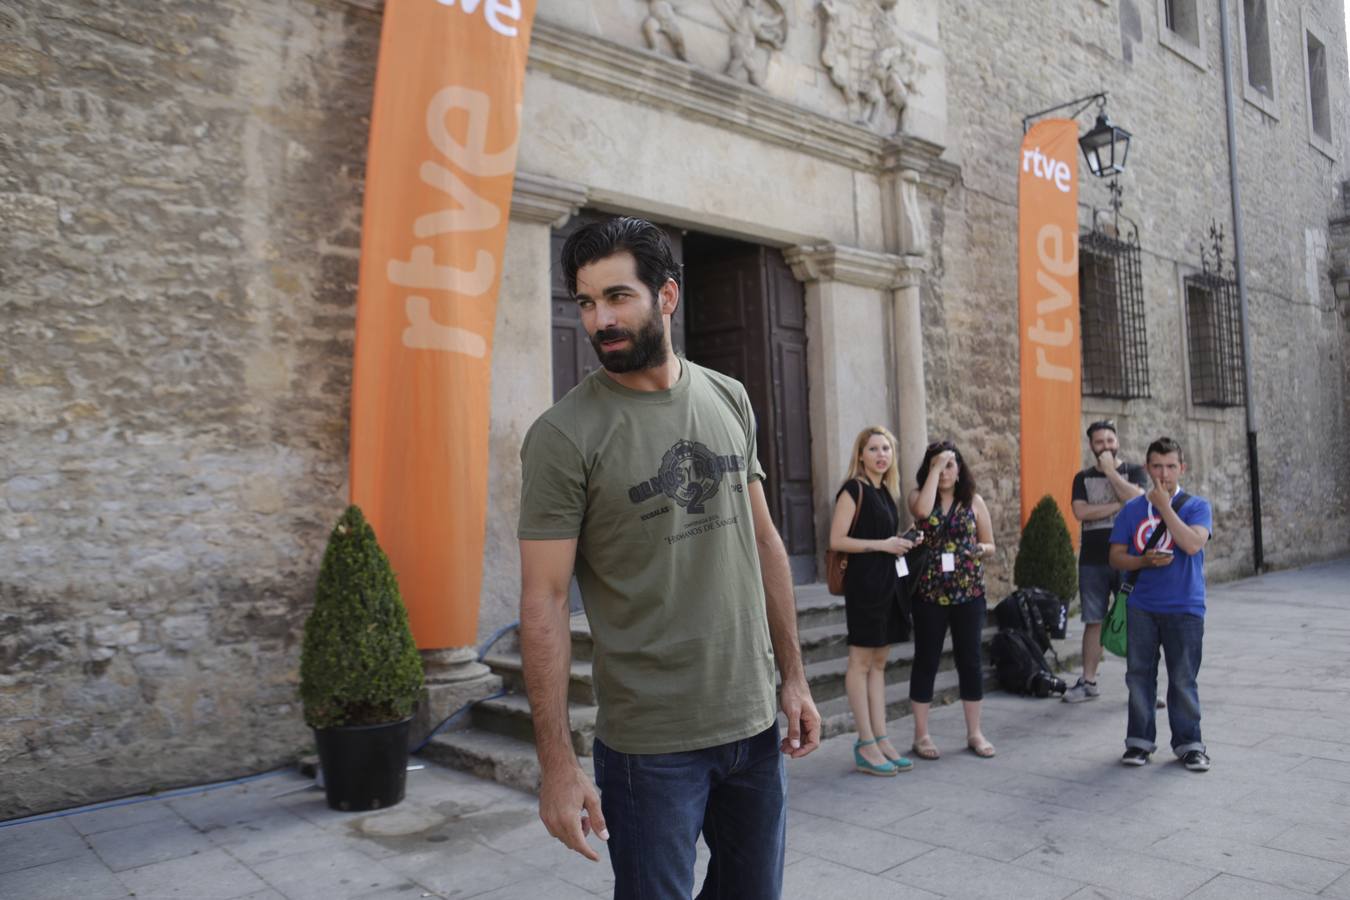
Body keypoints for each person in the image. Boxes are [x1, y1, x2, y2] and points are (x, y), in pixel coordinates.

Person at [516, 217, 820, 900]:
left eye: (618, 297)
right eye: (587, 303)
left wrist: (793, 679)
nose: (600, 320)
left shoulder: (728, 396)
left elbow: (765, 540)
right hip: (651, 748)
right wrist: (557, 764)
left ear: (668, 297)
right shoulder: (562, 437)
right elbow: (542, 598)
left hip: (752, 723)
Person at [1108, 436, 1213, 772]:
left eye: (1171, 466)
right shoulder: (1132, 510)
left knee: (1183, 678)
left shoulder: (1197, 506)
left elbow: (1193, 544)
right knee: (1139, 676)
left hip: (1185, 606)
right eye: (1157, 466)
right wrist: (1143, 562)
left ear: (1182, 468)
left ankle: (1189, 744)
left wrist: (1164, 506)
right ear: (1147, 467)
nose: (1164, 474)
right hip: (1142, 606)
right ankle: (1139, 742)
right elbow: (1116, 557)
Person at [828, 426, 920, 776]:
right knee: (861, 660)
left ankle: (881, 737)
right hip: (865, 585)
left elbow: (883, 537)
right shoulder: (854, 489)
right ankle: (865, 742)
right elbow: (837, 539)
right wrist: (883, 544)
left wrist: (903, 540)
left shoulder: (884, 491)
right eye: (874, 449)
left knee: (879, 662)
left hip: (887, 583)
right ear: (861, 454)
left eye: (887, 449)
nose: (881, 454)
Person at [906, 440, 996, 760]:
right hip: (929, 594)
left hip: (968, 593)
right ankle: (921, 735)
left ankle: (974, 732)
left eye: (949, 465)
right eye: (937, 464)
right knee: (926, 661)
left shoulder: (974, 502)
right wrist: (934, 469)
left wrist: (979, 551)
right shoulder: (919, 496)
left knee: (969, 661)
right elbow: (921, 511)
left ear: (959, 470)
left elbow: (990, 544)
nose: (944, 471)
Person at [1063, 420, 1148, 703]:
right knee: (1093, 620)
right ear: (1091, 446)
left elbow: (1137, 499)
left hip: (1128, 558)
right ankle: (1088, 682)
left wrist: (1112, 473)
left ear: (1117, 441)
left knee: (1135, 619)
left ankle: (1143, 684)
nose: (1106, 446)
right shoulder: (1081, 478)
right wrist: (1116, 505)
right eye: (1100, 442)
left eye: (1110, 441)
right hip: (1093, 560)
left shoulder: (1133, 470)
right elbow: (1081, 513)